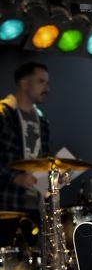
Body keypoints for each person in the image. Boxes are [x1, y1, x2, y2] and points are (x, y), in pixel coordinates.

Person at [0, 62, 50, 246]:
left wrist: (52, 177)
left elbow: (43, 159)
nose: (47, 88)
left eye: (47, 83)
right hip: (7, 204)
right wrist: (16, 177)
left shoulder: (42, 121)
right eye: (41, 82)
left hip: (34, 206)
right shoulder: (4, 113)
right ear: (24, 83)